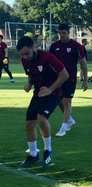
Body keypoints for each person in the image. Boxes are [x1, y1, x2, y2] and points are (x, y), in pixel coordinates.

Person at [16, 36, 69, 168]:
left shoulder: (47, 57)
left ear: (34, 47)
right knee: (29, 124)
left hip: (54, 93)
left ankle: (48, 150)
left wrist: (50, 89)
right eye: (22, 55)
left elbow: (64, 74)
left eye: (27, 53)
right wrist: (28, 84)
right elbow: (30, 74)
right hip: (38, 93)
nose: (24, 57)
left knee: (41, 118)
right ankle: (33, 155)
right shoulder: (24, 60)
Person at [49, 24, 88, 137]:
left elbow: (83, 64)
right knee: (58, 101)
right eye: (60, 33)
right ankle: (70, 120)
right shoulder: (54, 46)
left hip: (70, 78)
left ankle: (64, 127)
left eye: (64, 33)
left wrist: (85, 80)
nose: (61, 35)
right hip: (57, 78)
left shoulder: (76, 46)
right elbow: (49, 62)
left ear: (69, 33)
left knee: (67, 102)